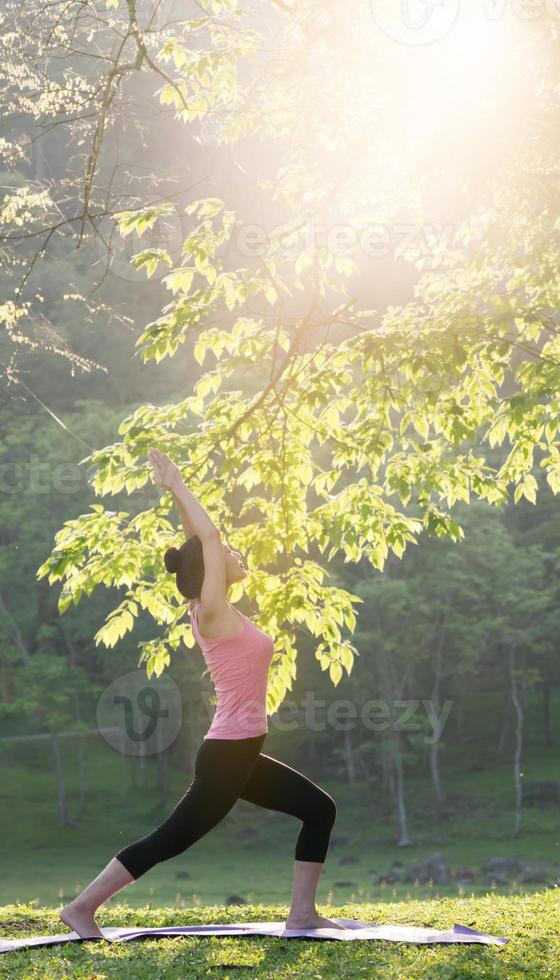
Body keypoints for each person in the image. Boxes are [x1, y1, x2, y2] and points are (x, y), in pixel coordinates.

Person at [59, 447, 343, 939]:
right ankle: (82, 909)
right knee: (173, 838)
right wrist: (176, 484)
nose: (234, 554)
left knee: (319, 810)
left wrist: (178, 494)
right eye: (227, 553)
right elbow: (206, 539)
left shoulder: (218, 608)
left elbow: (198, 539)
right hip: (229, 753)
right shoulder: (210, 611)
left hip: (240, 749)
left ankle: (302, 914)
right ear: (210, 570)